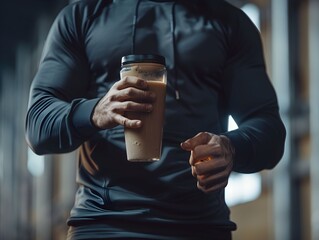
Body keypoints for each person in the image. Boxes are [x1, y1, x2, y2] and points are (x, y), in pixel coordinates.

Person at [25, 0, 286, 239]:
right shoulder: (82, 17)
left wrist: (232, 147)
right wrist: (96, 112)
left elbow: (270, 130)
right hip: (104, 224)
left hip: (199, 227)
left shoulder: (229, 23)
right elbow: (38, 125)